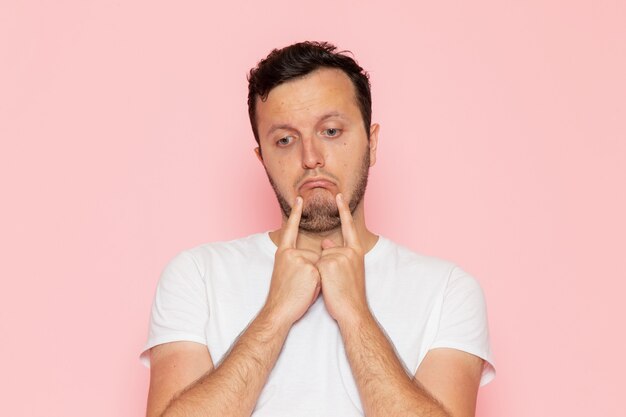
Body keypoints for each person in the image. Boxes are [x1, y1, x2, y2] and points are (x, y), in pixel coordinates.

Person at [140, 41, 495, 417]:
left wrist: (356, 315)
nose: (310, 158)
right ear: (262, 157)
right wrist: (274, 315)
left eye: (330, 131)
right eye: (285, 140)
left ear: (371, 143)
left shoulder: (448, 290)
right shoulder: (196, 275)